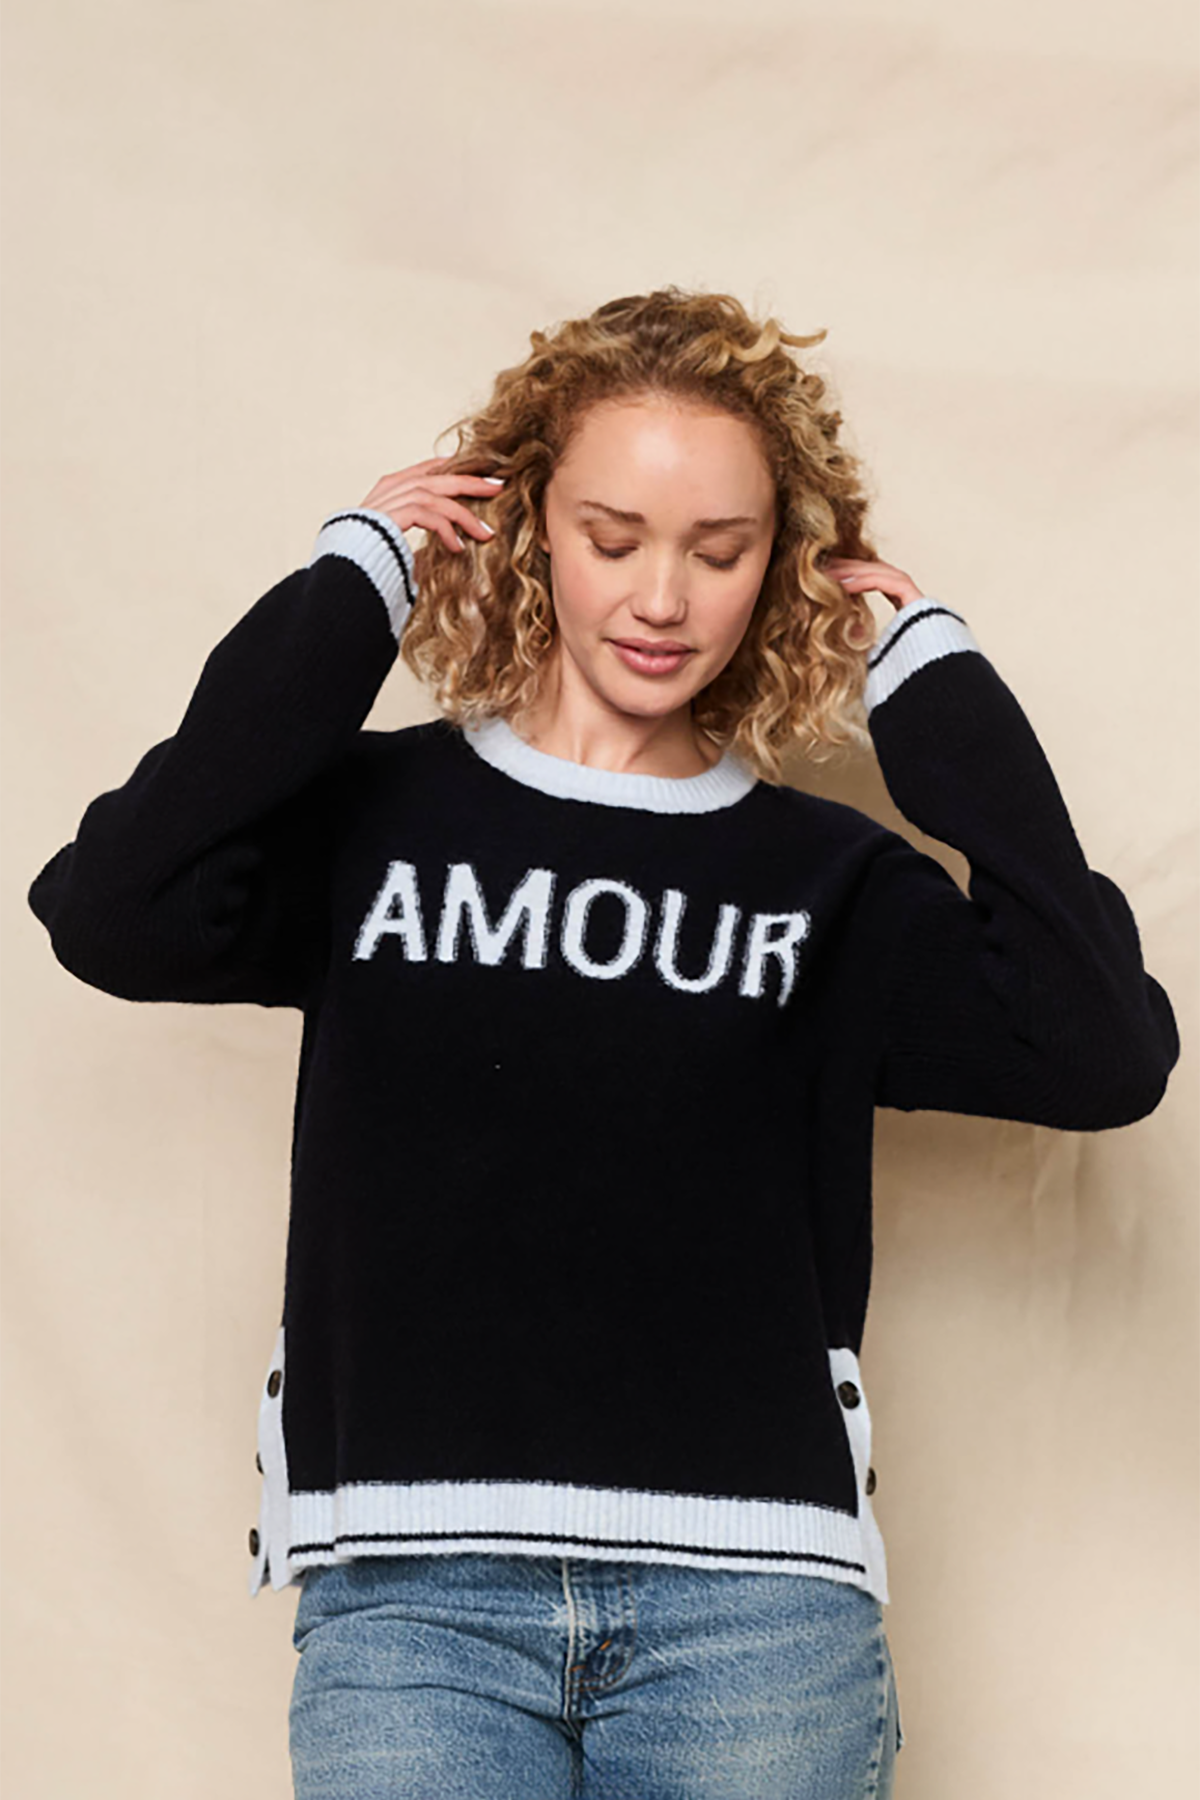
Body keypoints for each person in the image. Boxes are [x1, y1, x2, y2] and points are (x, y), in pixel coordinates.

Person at [27, 286, 1179, 1800]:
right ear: (527, 528)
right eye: (613, 537)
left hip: (756, 1618)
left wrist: (939, 689)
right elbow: (109, 910)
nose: (662, 599)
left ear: (781, 565)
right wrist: (350, 588)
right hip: (415, 1604)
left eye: (720, 550)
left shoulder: (834, 885)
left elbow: (1102, 1054)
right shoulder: (373, 822)